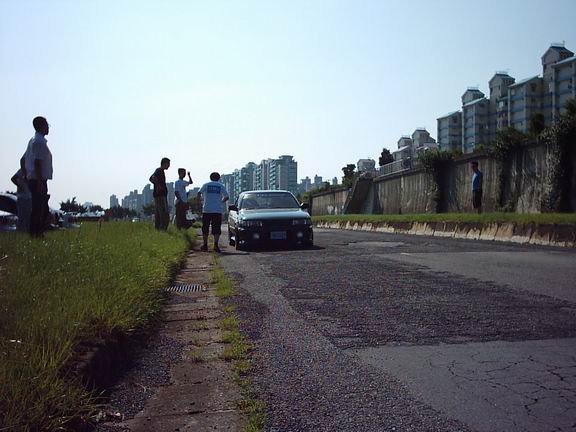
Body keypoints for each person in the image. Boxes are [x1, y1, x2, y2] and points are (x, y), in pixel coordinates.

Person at [23, 116, 52, 237]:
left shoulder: (33, 140)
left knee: (39, 207)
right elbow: (37, 163)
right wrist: (40, 181)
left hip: (34, 179)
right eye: (46, 125)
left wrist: (26, 175)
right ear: (41, 126)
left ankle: (35, 232)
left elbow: (23, 159)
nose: (48, 127)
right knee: (40, 209)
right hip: (38, 179)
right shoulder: (39, 142)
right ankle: (36, 233)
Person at [198, 172, 229, 252]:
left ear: (210, 177)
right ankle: (216, 245)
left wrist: (200, 201)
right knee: (216, 228)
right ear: (218, 178)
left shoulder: (206, 185)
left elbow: (199, 193)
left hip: (207, 209)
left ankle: (205, 245)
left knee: (205, 227)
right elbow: (226, 196)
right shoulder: (221, 186)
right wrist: (221, 202)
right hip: (217, 210)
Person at [149, 157, 171, 230]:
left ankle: (158, 229)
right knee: (164, 214)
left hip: (160, 195)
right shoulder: (159, 170)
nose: (169, 166)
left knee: (158, 214)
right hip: (160, 196)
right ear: (164, 163)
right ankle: (162, 229)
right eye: (168, 164)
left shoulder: (160, 171)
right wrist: (158, 186)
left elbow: (151, 178)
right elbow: (152, 178)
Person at [10, 168, 32, 232]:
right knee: (21, 216)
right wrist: (20, 186)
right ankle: (20, 231)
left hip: (29, 197)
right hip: (22, 197)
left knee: (28, 216)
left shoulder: (32, 170)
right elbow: (13, 178)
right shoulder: (21, 170)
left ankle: (26, 231)